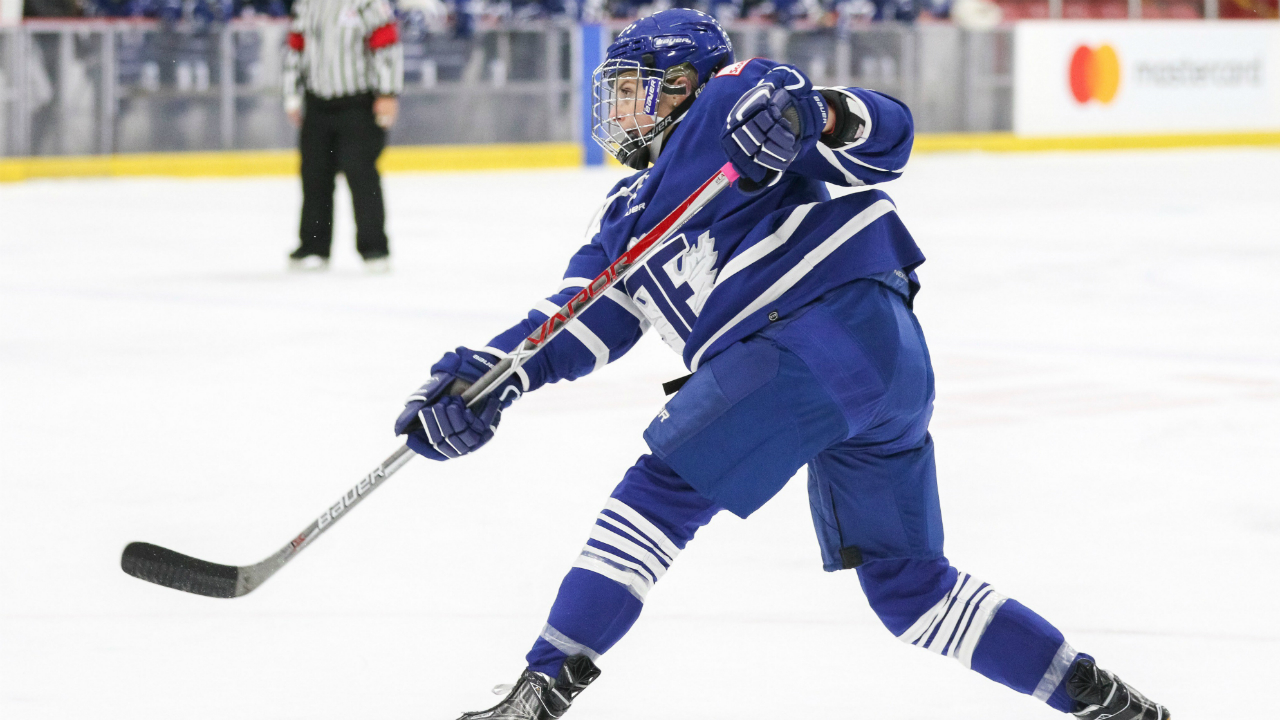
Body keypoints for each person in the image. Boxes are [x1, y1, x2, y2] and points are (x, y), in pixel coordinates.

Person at [393, 9, 1171, 720]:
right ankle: (1102, 699)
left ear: (684, 84)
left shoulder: (735, 98)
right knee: (910, 591)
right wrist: (483, 381)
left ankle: (541, 687)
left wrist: (819, 113)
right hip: (879, 367)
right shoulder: (621, 223)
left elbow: (888, 134)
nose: (620, 111)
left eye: (634, 91)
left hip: (814, 332)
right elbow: (572, 324)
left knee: (659, 491)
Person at [283, 0, 404, 272]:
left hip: (358, 103)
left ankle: (374, 248)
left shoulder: (368, 3)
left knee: (360, 172)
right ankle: (314, 247)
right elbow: (296, 46)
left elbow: (386, 45)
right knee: (315, 174)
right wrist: (291, 92)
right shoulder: (307, 4)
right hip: (317, 103)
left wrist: (387, 92)